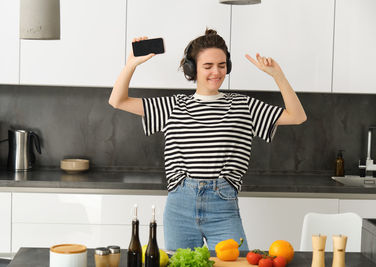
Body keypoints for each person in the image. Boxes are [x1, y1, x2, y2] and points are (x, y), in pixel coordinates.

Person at [109, 29, 306, 251]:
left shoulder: (243, 105)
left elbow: (298, 116)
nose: (217, 72)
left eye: (222, 65)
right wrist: (131, 65)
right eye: (208, 66)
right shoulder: (173, 106)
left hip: (223, 206)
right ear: (192, 69)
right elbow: (117, 100)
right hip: (179, 206)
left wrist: (277, 75)